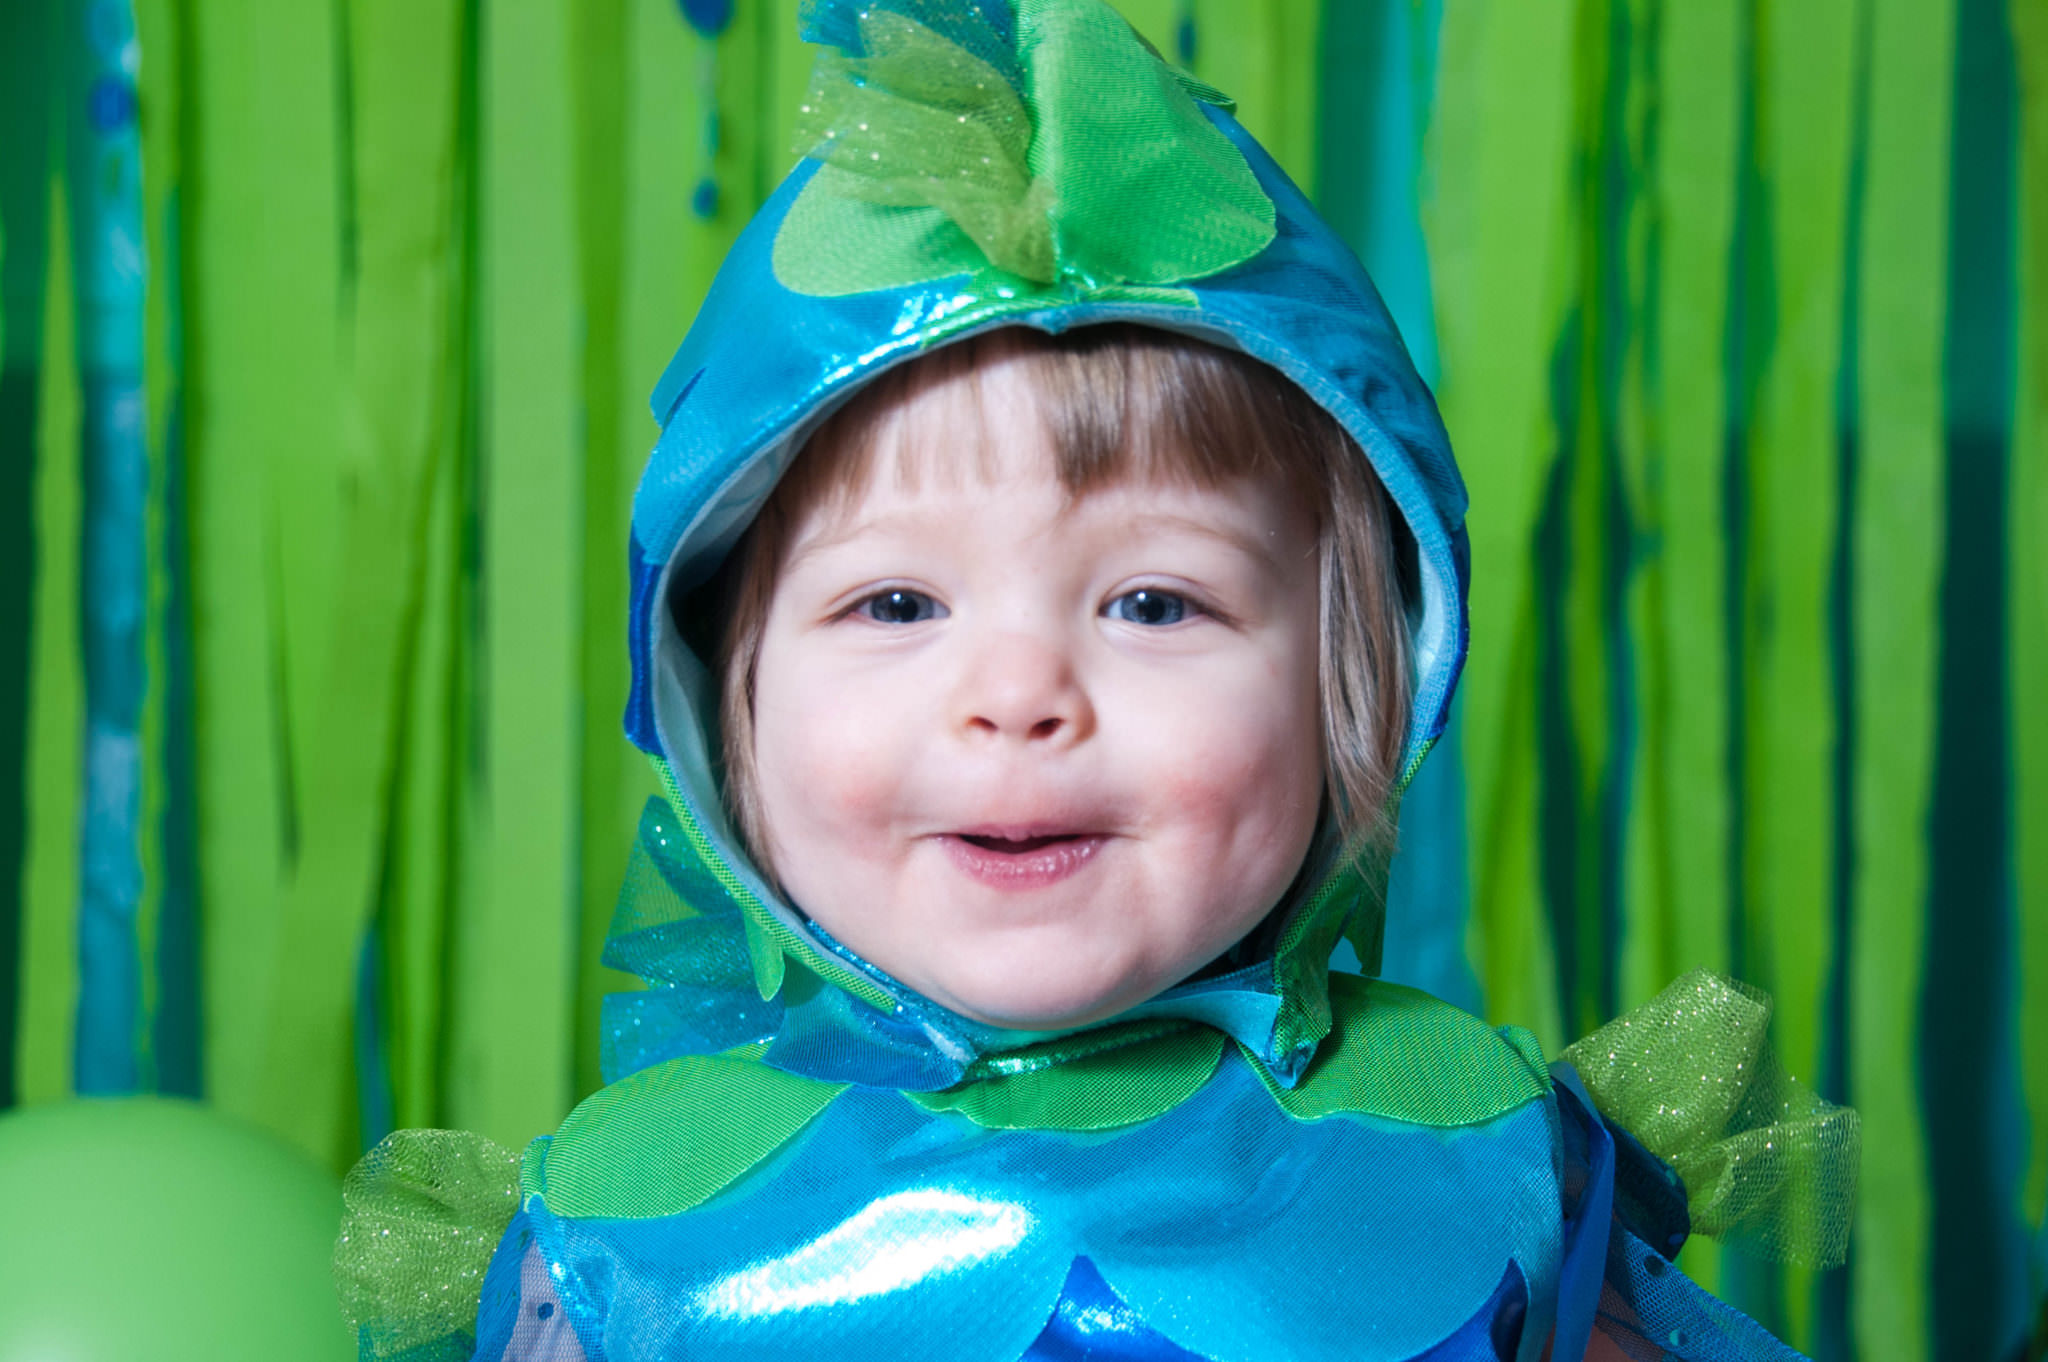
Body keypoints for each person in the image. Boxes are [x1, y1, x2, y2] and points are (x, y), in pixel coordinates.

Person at [335, 2, 1858, 1359]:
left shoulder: (1478, 1153)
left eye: (1153, 600)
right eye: (895, 599)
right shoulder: (626, 1231)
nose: (1018, 697)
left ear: (1359, 695)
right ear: (720, 710)